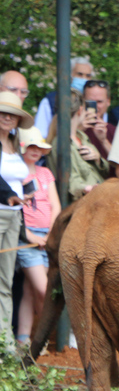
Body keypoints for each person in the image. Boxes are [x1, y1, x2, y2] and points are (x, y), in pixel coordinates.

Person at [15, 127, 60, 347]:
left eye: (38, 147)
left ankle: (24, 337)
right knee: (43, 289)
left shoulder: (45, 173)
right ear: (21, 147)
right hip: (26, 238)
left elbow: (55, 205)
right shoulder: (15, 172)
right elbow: (16, 210)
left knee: (30, 290)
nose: (35, 150)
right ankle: (42, 340)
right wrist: (31, 236)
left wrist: (51, 235)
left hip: (47, 238)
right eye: (30, 146)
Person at [0, 92, 33, 351]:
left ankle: (6, 346)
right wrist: (9, 195)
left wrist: (28, 191)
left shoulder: (14, 144)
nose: (8, 117)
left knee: (6, 281)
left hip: (14, 217)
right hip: (1, 213)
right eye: (3, 112)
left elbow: (22, 177)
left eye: (12, 114)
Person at [34, 57, 94, 139]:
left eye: (88, 76)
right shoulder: (51, 100)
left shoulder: (92, 101)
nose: (84, 79)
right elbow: (40, 134)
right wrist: (76, 129)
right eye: (80, 74)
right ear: (69, 75)